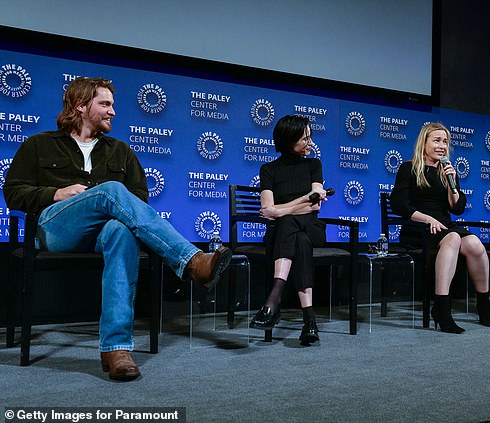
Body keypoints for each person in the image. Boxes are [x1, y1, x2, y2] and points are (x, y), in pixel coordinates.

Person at [3, 77, 233, 381]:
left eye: (112, 105)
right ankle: (191, 261)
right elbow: (14, 192)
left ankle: (116, 349)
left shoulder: (120, 151)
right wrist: (55, 194)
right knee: (109, 190)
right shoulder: (39, 144)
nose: (113, 112)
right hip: (55, 230)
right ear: (81, 106)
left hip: (100, 235)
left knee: (121, 232)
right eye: (105, 104)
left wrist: (105, 201)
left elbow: (138, 200)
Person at [390, 122, 490, 333]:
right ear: (424, 142)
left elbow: (457, 208)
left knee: (474, 243)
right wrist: (427, 220)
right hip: (417, 227)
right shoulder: (408, 168)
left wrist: (451, 184)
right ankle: (441, 308)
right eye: (436, 140)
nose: (442, 146)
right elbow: (399, 204)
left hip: (445, 226)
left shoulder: (448, 171)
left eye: (445, 141)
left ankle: (484, 303)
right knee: (454, 238)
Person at [249, 115, 327, 345]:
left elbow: (315, 204)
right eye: (304, 138)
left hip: (312, 227)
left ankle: (274, 298)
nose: (309, 142)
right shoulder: (268, 170)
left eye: (310, 137)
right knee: (299, 240)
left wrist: (281, 211)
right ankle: (309, 321)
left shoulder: (314, 164)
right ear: (288, 140)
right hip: (288, 235)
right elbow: (266, 208)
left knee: (287, 222)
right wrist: (300, 202)